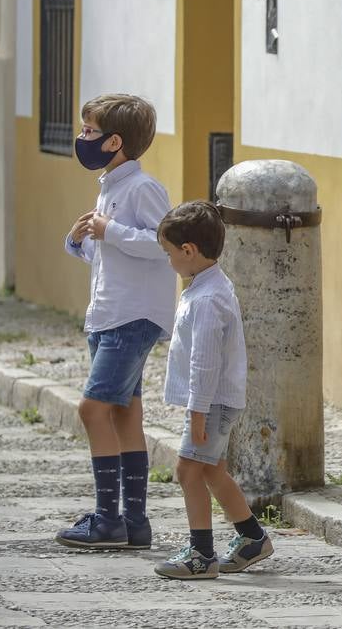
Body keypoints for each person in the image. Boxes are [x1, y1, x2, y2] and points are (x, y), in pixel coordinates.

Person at [56, 94, 175, 550]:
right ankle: (135, 522)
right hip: (109, 313)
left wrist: (111, 231)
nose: (82, 139)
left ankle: (107, 519)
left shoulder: (141, 188)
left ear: (115, 141)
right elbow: (112, 256)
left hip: (133, 316)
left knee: (92, 409)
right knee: (126, 413)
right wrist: (79, 240)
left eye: (89, 132)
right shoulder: (109, 187)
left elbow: (163, 242)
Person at [153, 201, 274, 579]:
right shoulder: (211, 285)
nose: (169, 260)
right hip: (218, 401)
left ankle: (202, 555)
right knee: (212, 470)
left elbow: (204, 365)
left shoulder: (206, 300)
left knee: (188, 471)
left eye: (169, 253)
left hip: (211, 403)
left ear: (188, 251)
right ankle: (252, 538)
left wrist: (197, 413)